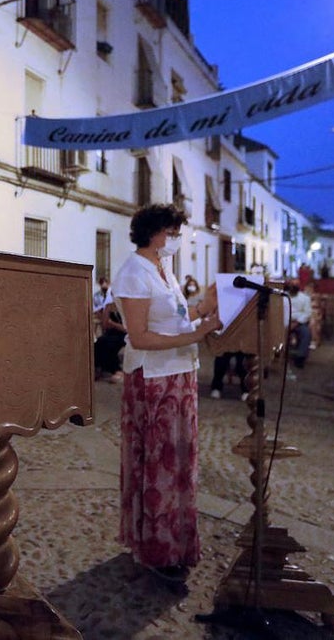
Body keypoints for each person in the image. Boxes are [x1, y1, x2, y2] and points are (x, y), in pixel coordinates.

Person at [113, 204, 222, 589]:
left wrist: (202, 311)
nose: (177, 239)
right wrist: (195, 333)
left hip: (179, 375)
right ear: (155, 232)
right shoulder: (133, 272)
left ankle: (177, 543)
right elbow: (140, 336)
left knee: (180, 463)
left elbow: (174, 318)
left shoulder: (164, 269)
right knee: (158, 464)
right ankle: (156, 547)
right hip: (153, 380)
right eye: (173, 232)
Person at [95, 296, 126, 383]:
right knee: (99, 341)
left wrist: (112, 324)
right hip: (111, 332)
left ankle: (115, 369)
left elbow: (127, 329)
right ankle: (99, 368)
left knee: (109, 343)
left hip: (123, 334)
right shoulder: (110, 305)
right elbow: (105, 325)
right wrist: (106, 311)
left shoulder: (127, 306)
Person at [288, 281, 313, 369]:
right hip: (284, 322)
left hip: (299, 322)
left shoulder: (305, 298)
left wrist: (296, 322)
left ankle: (300, 357)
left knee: (306, 333)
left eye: (296, 285)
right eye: (292, 285)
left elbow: (307, 313)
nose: (293, 287)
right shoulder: (283, 297)